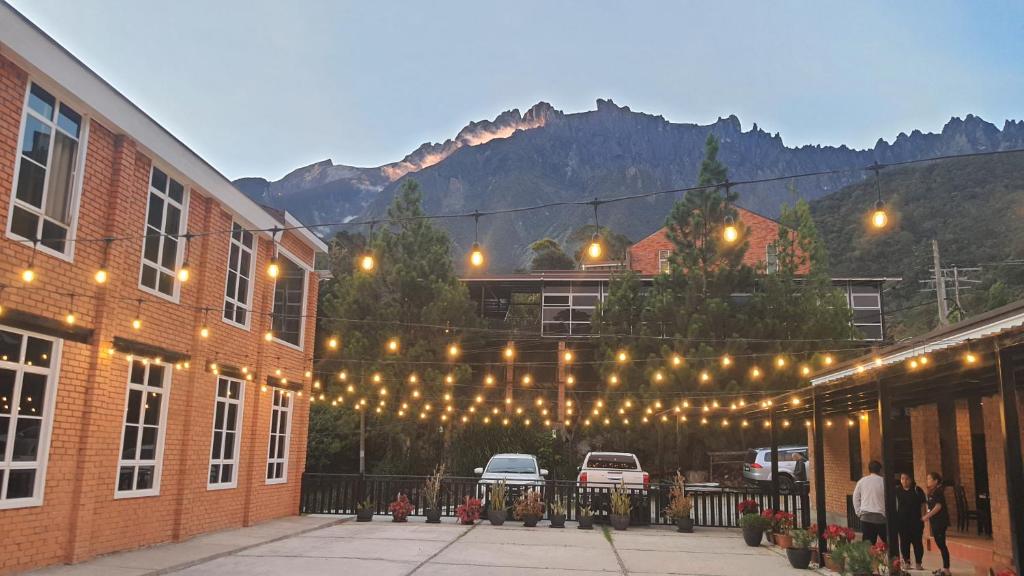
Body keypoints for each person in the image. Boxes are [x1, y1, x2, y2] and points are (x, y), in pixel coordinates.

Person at [895, 472, 926, 571]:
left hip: (916, 522)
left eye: (906, 479)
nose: (904, 481)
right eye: (902, 478)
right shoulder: (897, 490)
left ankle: (918, 563)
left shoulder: (917, 490)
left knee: (917, 543)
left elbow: (923, 505)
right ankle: (907, 562)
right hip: (902, 522)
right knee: (904, 543)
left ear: (911, 479)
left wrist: (923, 517)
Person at [922, 471, 951, 576]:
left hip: (940, 521)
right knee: (940, 544)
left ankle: (946, 570)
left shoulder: (938, 491)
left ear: (936, 481)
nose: (928, 481)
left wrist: (926, 517)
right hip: (935, 521)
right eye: (927, 478)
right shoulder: (933, 491)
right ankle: (945, 568)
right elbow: (931, 506)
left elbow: (938, 506)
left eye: (930, 479)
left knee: (942, 545)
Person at [853, 460, 887, 544]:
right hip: (881, 518)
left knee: (868, 546)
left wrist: (858, 512)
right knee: (888, 544)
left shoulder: (862, 481)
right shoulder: (883, 481)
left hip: (866, 517)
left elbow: (855, 497)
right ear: (880, 470)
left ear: (869, 469)